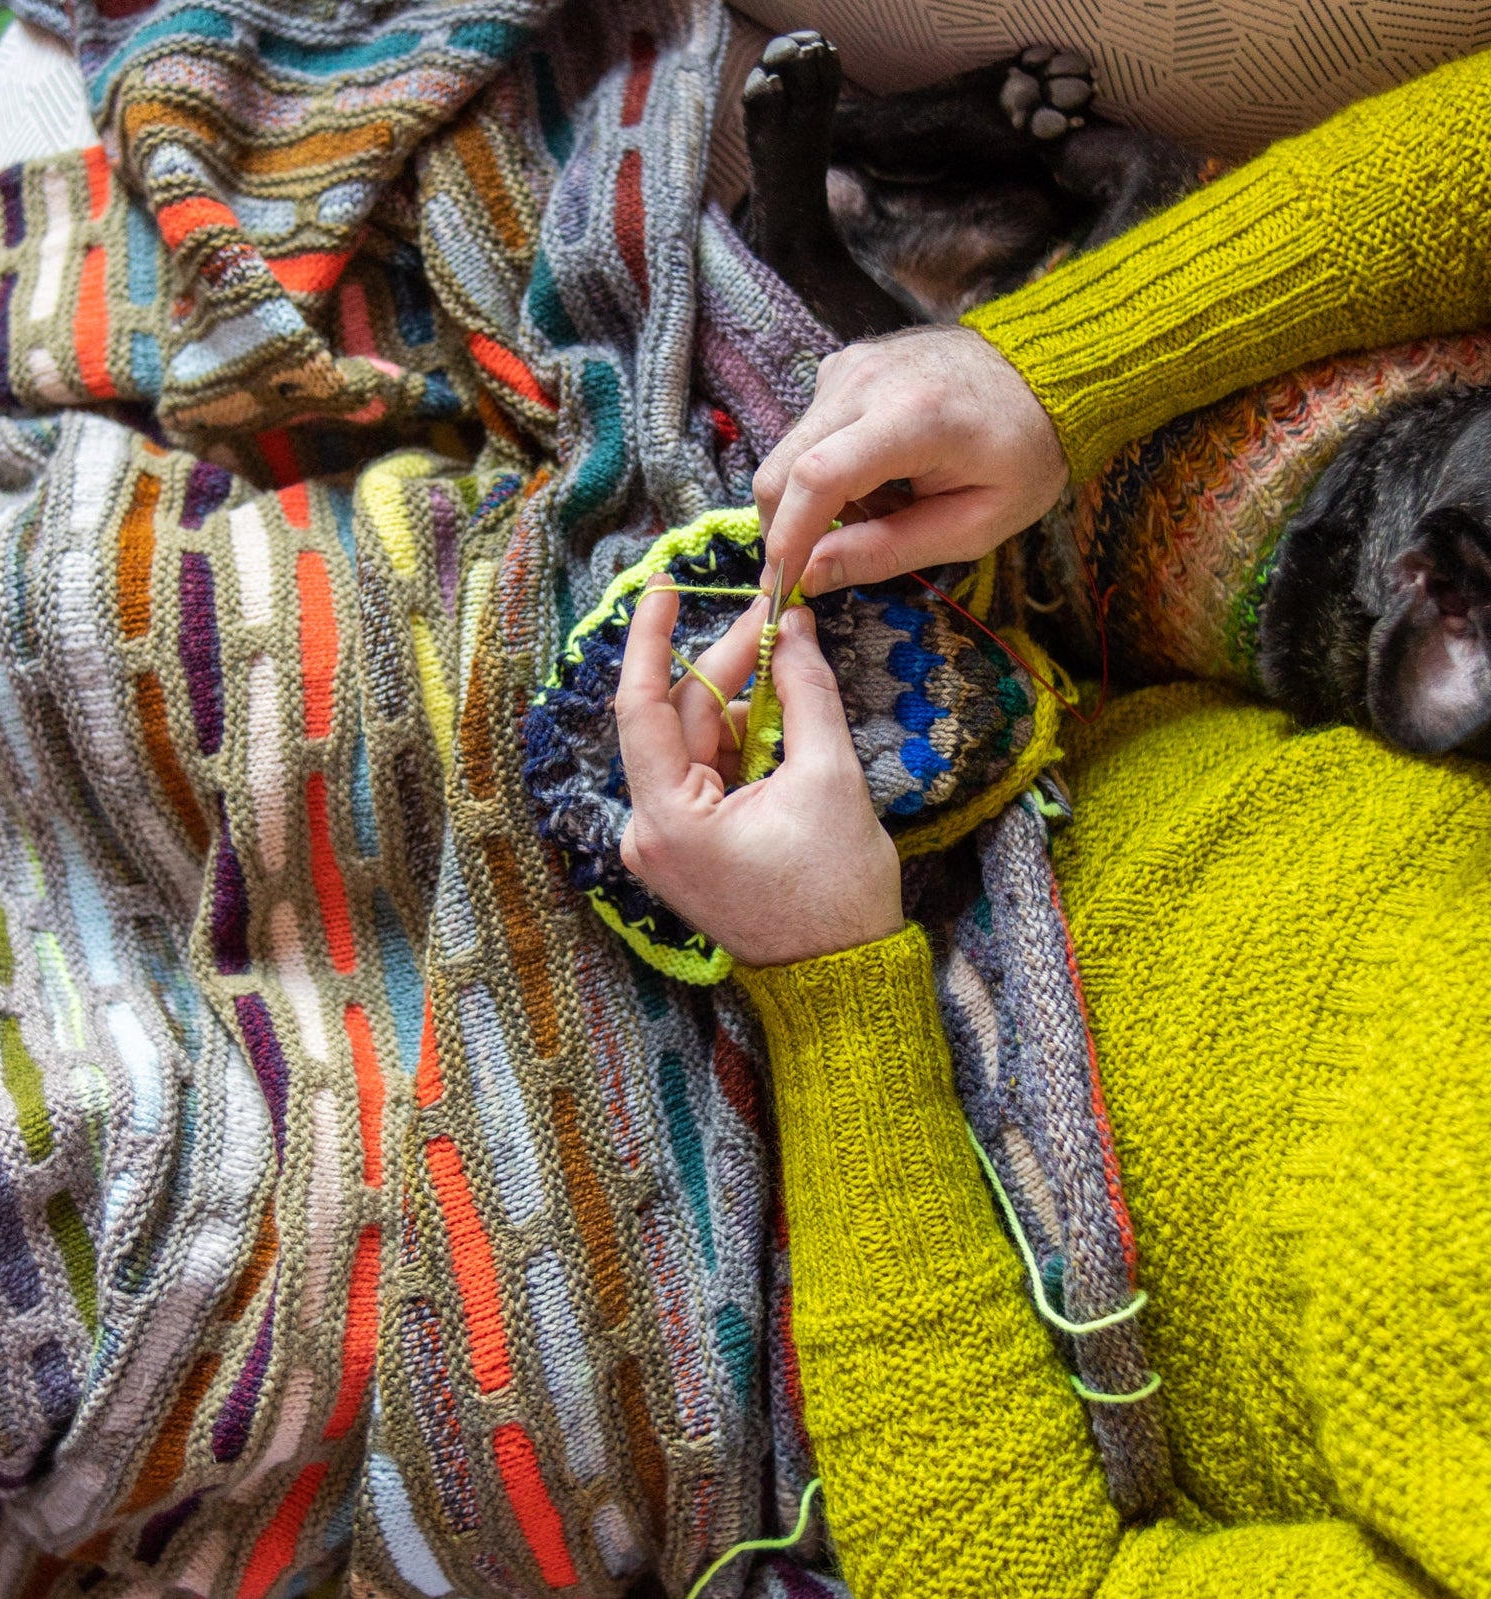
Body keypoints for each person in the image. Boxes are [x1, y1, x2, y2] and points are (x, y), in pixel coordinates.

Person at [616, 47, 1491, 1598]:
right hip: (1102, 653)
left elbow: (1009, 1576)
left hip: (871, 1142)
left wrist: (827, 984)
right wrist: (1054, 369)